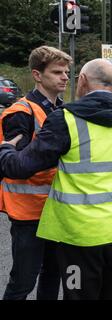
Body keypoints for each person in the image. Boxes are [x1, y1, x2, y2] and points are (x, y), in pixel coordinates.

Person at [0, 58, 112, 300]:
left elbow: (21, 166)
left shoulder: (66, 118)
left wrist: (5, 148)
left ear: (83, 81)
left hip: (80, 237)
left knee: (77, 292)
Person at [0, 46, 72, 300]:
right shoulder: (21, 112)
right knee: (23, 281)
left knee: (52, 274)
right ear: (37, 75)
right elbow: (13, 163)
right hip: (28, 211)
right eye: (57, 72)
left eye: (66, 72)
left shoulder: (62, 111)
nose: (64, 77)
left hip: (55, 208)